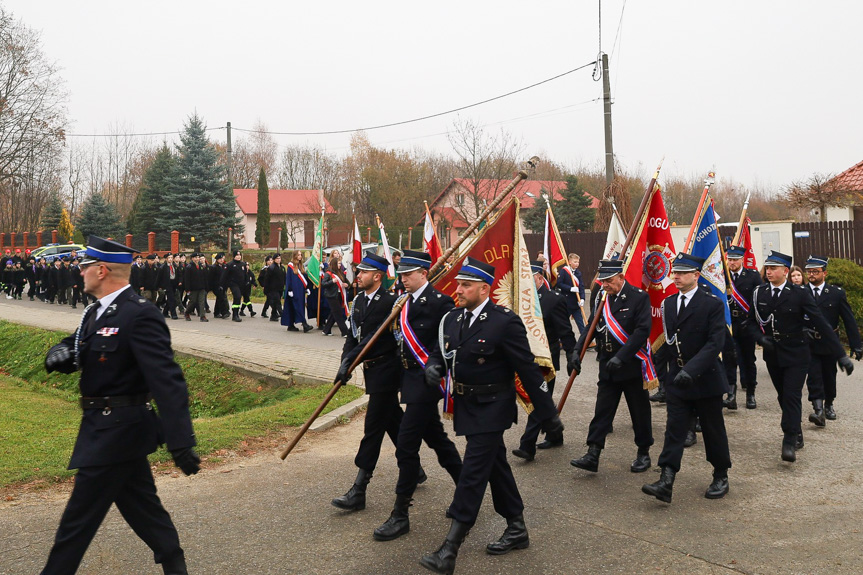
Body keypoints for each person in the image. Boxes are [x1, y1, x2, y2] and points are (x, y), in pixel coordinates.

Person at [41, 236, 199, 575]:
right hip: (110, 429)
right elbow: (83, 345)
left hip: (114, 431)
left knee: (76, 525)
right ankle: (175, 565)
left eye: (84, 266)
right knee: (145, 510)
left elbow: (167, 380)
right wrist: (61, 353)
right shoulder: (97, 311)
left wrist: (180, 440)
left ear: (100, 270)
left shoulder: (139, 314)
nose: (79, 271)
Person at [419, 257, 563, 575]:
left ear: (484, 289)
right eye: (458, 284)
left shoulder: (504, 322)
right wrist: (434, 366)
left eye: (466, 285)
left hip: (494, 407)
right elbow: (442, 351)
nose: (458, 289)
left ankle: (450, 549)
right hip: (468, 407)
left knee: (472, 474)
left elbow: (526, 369)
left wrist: (548, 415)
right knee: (496, 466)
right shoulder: (454, 318)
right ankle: (517, 527)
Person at [372, 250, 462, 542]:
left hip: (426, 381)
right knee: (437, 439)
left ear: (424, 273)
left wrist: (436, 363)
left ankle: (400, 515)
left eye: (408, 274)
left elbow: (447, 342)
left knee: (406, 445)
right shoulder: (402, 302)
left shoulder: (441, 303)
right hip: (406, 378)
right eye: (401, 275)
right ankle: (466, 491)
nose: (403, 279)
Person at [747, 251, 854, 462]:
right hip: (773, 353)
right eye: (767, 268)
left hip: (797, 352)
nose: (768, 271)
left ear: (785, 271)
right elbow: (750, 322)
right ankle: (796, 429)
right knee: (782, 395)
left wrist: (841, 355)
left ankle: (789, 439)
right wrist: (760, 338)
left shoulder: (799, 293)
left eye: (773, 268)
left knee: (792, 395)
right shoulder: (759, 293)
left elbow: (822, 323)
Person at [642, 253, 732, 503]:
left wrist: (690, 370)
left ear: (696, 275)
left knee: (713, 431)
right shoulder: (669, 303)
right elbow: (669, 343)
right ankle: (666, 479)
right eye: (675, 272)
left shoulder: (711, 304)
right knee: (674, 429)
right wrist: (663, 375)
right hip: (677, 379)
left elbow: (715, 344)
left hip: (705, 378)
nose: (676, 276)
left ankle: (720, 474)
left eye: (682, 273)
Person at [331, 253, 408, 512]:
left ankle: (359, 489)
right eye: (358, 271)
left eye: (363, 272)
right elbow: (353, 338)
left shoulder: (391, 304)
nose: (358, 275)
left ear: (377, 276)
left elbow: (374, 339)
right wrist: (345, 363)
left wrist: (351, 359)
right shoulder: (358, 303)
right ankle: (414, 467)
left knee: (373, 427)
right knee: (392, 421)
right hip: (370, 371)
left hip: (387, 370)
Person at [569, 259, 654, 475]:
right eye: (602, 280)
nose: (604, 284)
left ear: (621, 278)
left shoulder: (639, 297)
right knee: (602, 410)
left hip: (631, 365)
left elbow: (642, 331)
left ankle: (643, 452)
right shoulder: (602, 299)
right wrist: (576, 351)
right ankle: (593, 452)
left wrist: (622, 357)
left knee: (639, 411)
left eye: (608, 280)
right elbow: (591, 327)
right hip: (607, 363)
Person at [512, 262, 577, 461]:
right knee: (544, 399)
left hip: (545, 360)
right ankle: (555, 434)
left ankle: (527, 445)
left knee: (539, 399)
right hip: (524, 359)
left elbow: (564, 330)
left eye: (529, 277)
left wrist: (572, 354)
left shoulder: (552, 300)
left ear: (540, 277)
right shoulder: (519, 299)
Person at [802, 255, 862, 425]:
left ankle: (829, 404)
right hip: (808, 342)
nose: (811, 275)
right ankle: (818, 410)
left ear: (824, 273)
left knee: (829, 375)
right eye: (809, 271)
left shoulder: (836, 294)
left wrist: (856, 345)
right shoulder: (801, 292)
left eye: (815, 271)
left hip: (829, 343)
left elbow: (848, 320)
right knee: (813, 376)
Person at [725, 245, 763, 410]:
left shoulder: (752, 276)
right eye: (730, 259)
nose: (732, 262)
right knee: (730, 358)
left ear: (741, 260)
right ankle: (731, 393)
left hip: (746, 323)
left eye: (735, 259)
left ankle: (750, 393)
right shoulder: (723, 277)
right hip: (729, 323)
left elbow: (759, 298)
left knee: (749, 359)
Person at [321, 249, 350, 337]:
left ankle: (326, 330)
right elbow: (323, 284)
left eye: (340, 264)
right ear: (334, 264)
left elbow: (346, 282)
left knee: (334, 313)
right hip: (331, 296)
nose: (339, 265)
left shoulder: (340, 273)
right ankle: (344, 331)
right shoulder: (328, 273)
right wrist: (332, 281)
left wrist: (346, 285)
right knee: (338, 313)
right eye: (338, 264)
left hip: (339, 295)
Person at [555, 253, 586, 335]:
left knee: (580, 323)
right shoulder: (564, 271)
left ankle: (584, 340)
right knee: (564, 323)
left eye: (578, 262)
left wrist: (582, 298)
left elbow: (581, 287)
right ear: (569, 262)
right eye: (575, 262)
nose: (577, 264)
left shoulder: (578, 273)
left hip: (576, 303)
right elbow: (559, 283)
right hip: (566, 302)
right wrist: (570, 288)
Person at [282, 250, 312, 332]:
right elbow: (289, 279)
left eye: (301, 255)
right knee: (297, 306)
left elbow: (304, 278)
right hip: (294, 290)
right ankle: (305, 324)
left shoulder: (300, 265)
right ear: (295, 256)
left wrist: (307, 288)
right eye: (298, 255)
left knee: (297, 307)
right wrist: (290, 289)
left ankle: (290, 325)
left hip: (301, 290)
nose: (300, 256)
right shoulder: (291, 265)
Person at [221, 250, 246, 322]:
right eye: (237, 255)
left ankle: (236, 313)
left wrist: (247, 282)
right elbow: (224, 276)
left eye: (239, 255)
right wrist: (222, 285)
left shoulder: (243, 264)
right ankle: (235, 315)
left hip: (241, 284)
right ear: (234, 256)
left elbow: (245, 274)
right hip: (233, 284)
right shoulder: (230, 264)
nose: (238, 257)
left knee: (238, 299)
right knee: (237, 296)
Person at [183, 253, 209, 322]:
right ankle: (187, 312)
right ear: (192, 258)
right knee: (193, 301)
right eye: (195, 257)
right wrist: (187, 289)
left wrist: (206, 287)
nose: (197, 259)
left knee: (201, 301)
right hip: (193, 288)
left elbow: (205, 277)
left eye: (198, 257)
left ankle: (202, 316)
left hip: (201, 287)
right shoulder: (189, 267)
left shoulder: (201, 266)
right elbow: (187, 279)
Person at [265, 254, 285, 322]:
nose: (278, 260)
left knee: (276, 302)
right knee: (278, 302)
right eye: (277, 258)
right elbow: (267, 279)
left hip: (280, 288)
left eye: (279, 258)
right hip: (273, 288)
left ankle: (273, 315)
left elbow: (284, 277)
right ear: (274, 260)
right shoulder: (271, 268)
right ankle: (282, 314)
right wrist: (266, 289)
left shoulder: (282, 267)